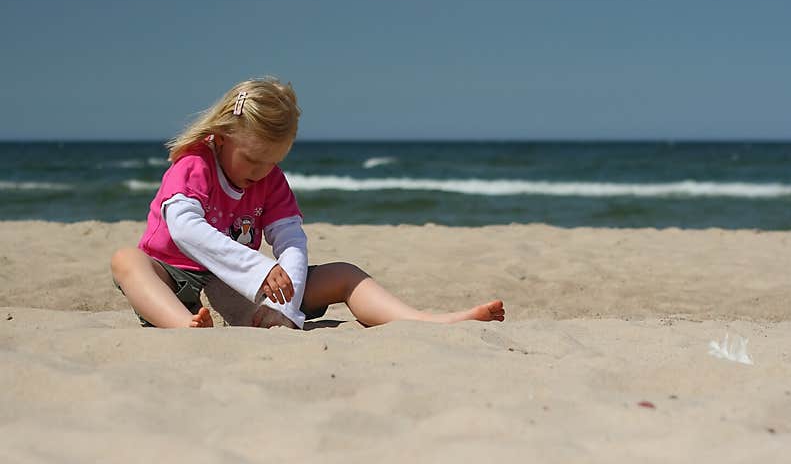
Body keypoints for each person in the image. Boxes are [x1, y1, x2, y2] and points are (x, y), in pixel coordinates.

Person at [110, 77, 505, 329]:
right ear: (223, 135)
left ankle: (422, 321)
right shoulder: (195, 163)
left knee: (344, 273)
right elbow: (184, 229)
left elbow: (291, 240)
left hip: (235, 282)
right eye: (252, 159)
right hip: (175, 278)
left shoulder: (270, 180)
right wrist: (259, 268)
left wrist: (289, 303)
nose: (261, 173)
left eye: (273, 163)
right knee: (127, 260)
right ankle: (185, 327)